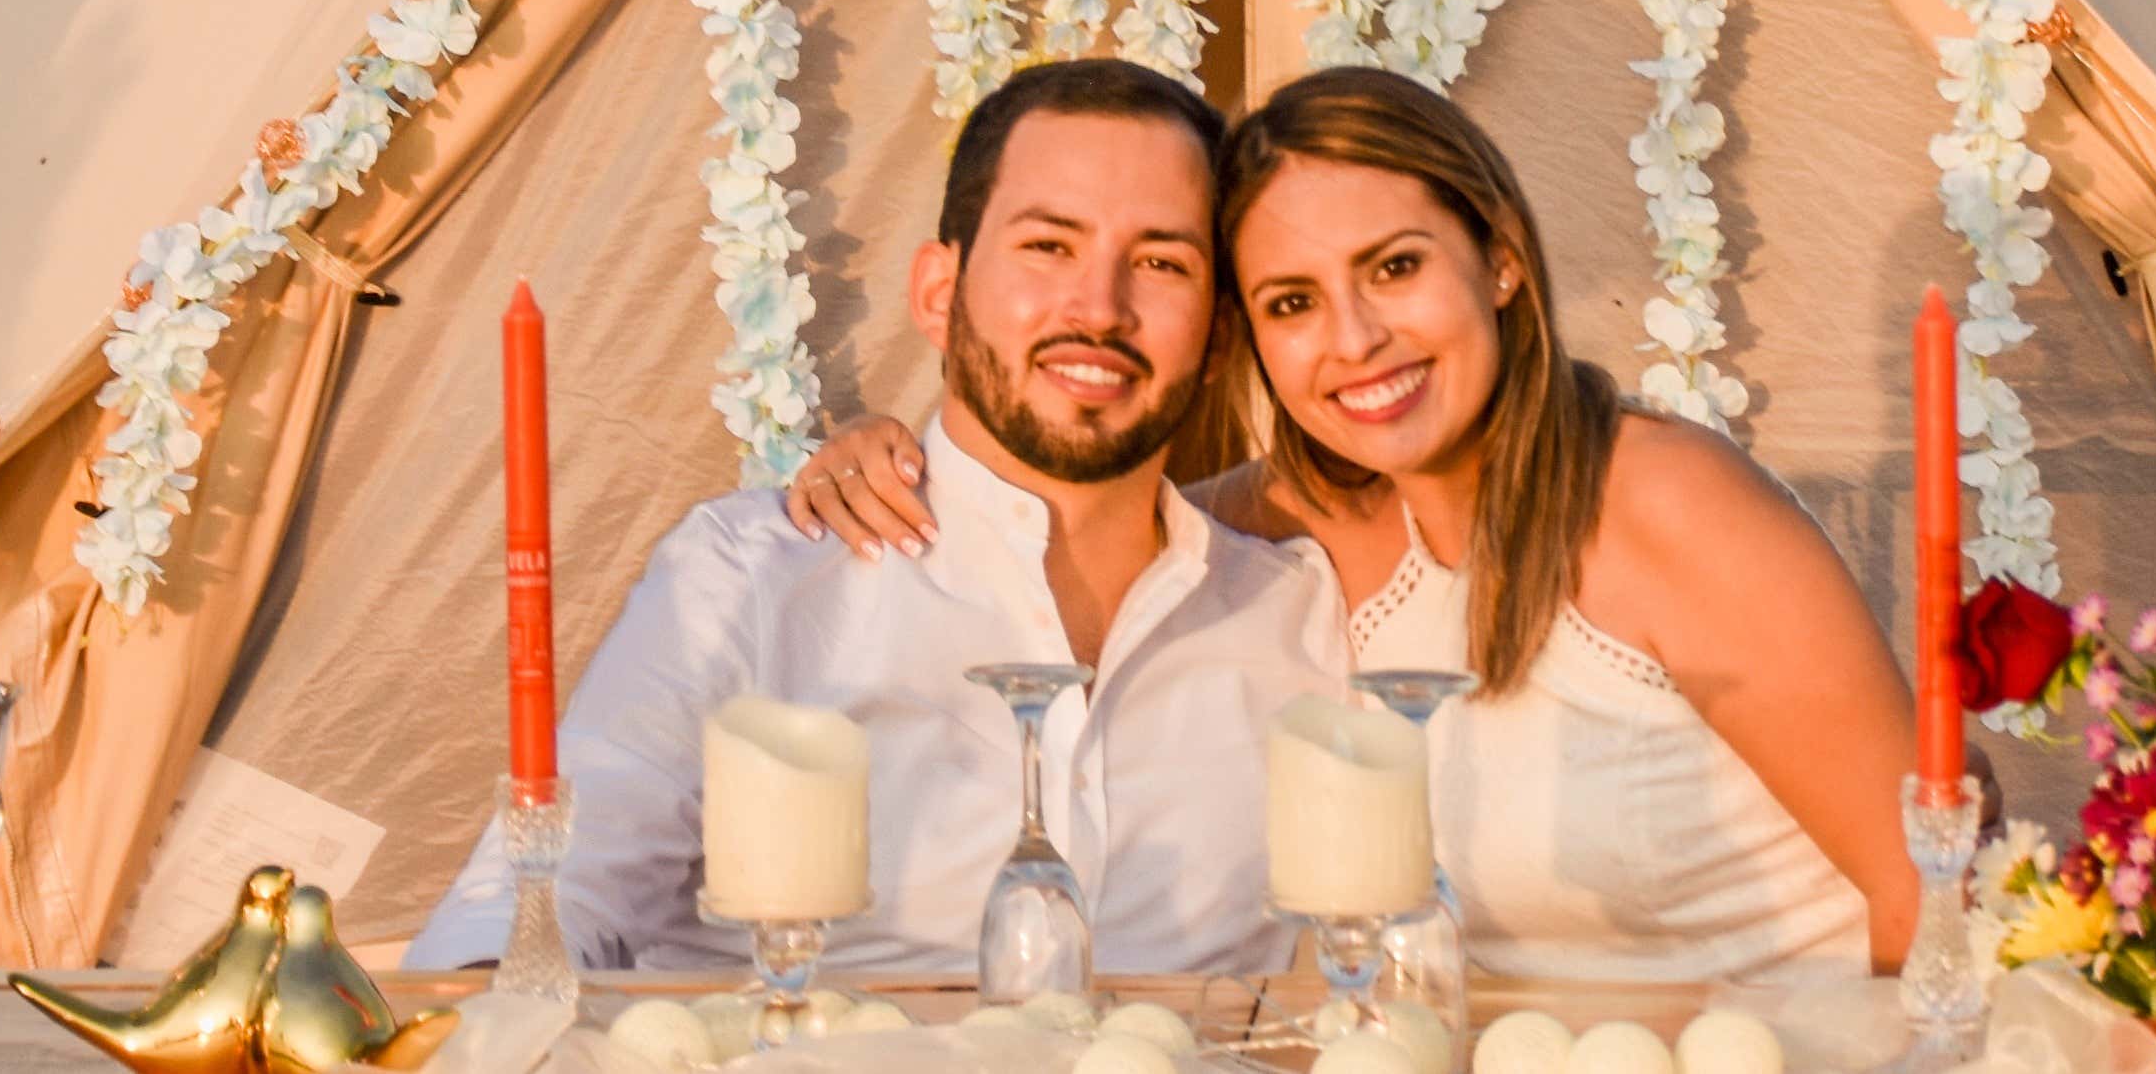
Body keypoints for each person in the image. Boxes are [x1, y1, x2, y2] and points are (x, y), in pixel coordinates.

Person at [782, 66, 1920, 981]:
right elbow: (1080, 506)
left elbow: (1928, 903)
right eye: (1292, 301)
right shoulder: (1294, 527)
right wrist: (889, 450)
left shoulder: (1659, 499)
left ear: (1503, 258)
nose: (1355, 338)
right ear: (1246, 339)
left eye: (1395, 266)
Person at [402, 59, 1346, 975]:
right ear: (939, 292)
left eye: (1160, 260)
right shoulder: (755, 579)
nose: (1099, 307)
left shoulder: (1299, 621)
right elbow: (543, 905)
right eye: (1048, 245)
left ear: (1220, 333)